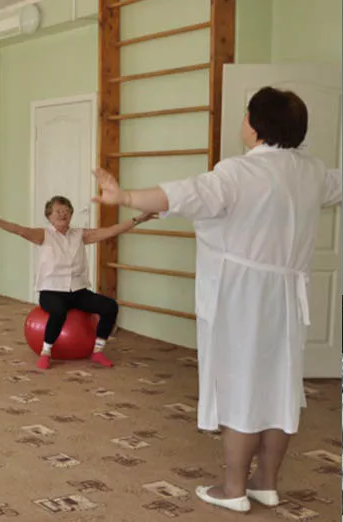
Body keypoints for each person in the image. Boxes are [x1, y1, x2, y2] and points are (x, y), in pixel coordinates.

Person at [91, 86, 342, 513]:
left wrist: (125, 197)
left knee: (241, 390)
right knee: (280, 390)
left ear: (255, 125)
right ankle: (266, 482)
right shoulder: (313, 172)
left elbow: (183, 194)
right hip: (286, 298)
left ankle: (233, 490)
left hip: (243, 297)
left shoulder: (238, 174)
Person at [0, 197, 155, 369]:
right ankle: (46, 353)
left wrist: (138, 219)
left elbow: (111, 231)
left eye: (66, 211)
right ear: (49, 216)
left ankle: (98, 351)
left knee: (110, 306)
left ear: (71, 214)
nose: (62, 214)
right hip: (51, 291)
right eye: (58, 211)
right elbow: (20, 230)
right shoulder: (44, 235)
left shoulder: (80, 235)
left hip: (77, 291)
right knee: (59, 311)